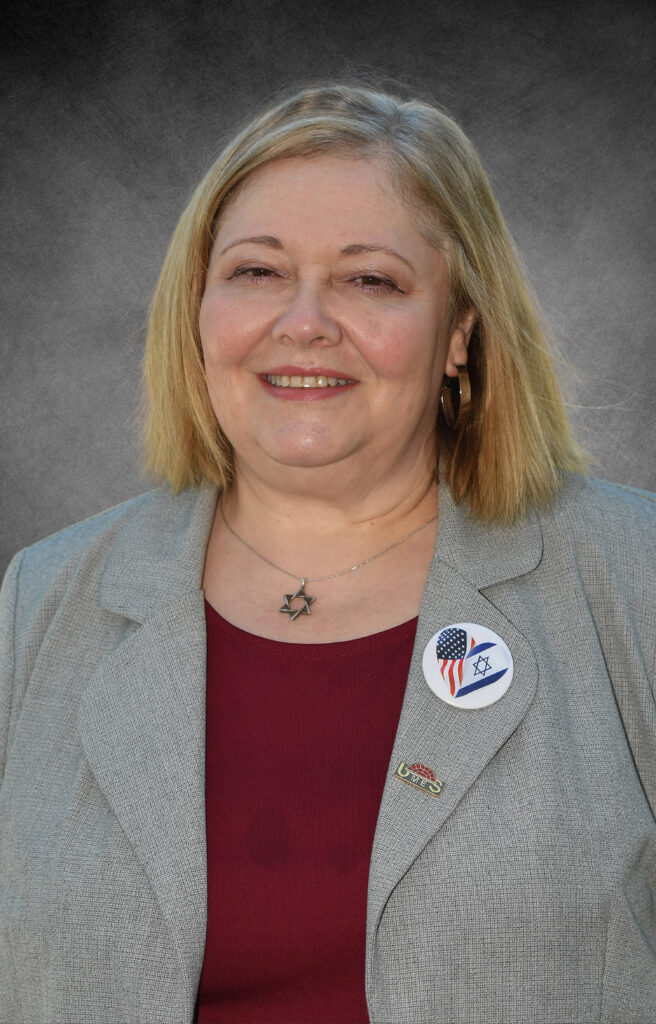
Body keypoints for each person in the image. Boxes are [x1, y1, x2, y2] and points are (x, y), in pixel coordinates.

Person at [1, 82, 655, 1024]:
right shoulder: (43, 599)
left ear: (459, 335)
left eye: (370, 279)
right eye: (258, 272)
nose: (303, 322)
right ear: (199, 312)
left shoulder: (632, 580)